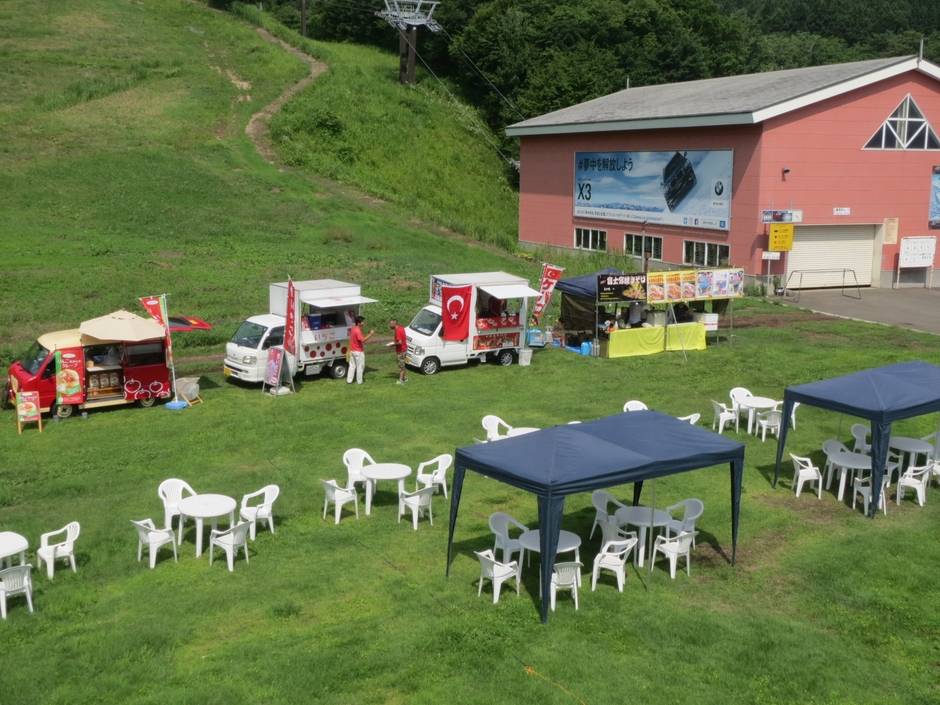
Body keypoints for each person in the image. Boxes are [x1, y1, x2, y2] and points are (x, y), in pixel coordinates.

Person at [347, 316, 374, 385]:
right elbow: (363, 340)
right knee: (360, 366)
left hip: (352, 350)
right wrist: (370, 334)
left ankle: (349, 380)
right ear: (359, 323)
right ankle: (359, 381)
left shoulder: (353, 328)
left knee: (352, 366)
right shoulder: (357, 331)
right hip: (358, 351)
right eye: (363, 322)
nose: (364, 323)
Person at [389, 318, 408, 385]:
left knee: (401, 366)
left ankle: (401, 381)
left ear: (394, 324)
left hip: (401, 351)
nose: (389, 325)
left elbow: (399, 342)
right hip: (405, 349)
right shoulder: (401, 328)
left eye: (390, 324)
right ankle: (405, 377)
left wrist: (393, 344)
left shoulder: (397, 331)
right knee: (403, 364)